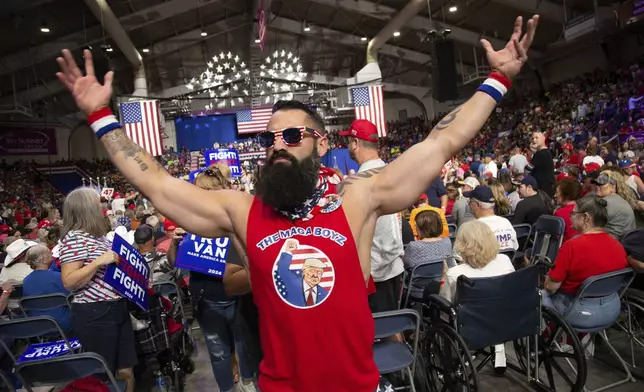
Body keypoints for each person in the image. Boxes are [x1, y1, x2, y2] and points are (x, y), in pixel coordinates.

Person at [55, 15, 539, 391]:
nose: (277, 146)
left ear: (322, 144)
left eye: (291, 135)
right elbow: (158, 185)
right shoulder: (242, 211)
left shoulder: (359, 199)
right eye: (270, 139)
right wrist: (100, 116)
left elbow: (442, 140)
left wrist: (495, 82)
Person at [167, 164, 258, 392]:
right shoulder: (190, 222)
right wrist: (175, 242)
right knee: (218, 353)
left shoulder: (238, 220)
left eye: (205, 191)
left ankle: (248, 383)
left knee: (244, 348)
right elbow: (173, 262)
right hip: (207, 300)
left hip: (239, 298)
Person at [58, 188, 136, 392]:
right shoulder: (74, 238)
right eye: (99, 203)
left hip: (116, 306)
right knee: (102, 375)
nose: (104, 207)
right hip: (95, 312)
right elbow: (68, 281)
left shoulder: (98, 237)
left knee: (126, 368)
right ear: (86, 208)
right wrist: (98, 262)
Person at [342, 119, 404, 313]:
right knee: (394, 325)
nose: (348, 147)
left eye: (349, 142)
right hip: (395, 266)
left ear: (356, 143)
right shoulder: (392, 171)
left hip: (375, 271)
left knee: (382, 332)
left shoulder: (360, 182)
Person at [440, 220, 515, 373]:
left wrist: (443, 275)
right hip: (505, 317)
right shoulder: (505, 261)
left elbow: (445, 303)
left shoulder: (456, 274)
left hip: (472, 323)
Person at [543, 197, 628, 329]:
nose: (570, 217)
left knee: (537, 295)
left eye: (573, 213)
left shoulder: (572, 246)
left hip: (578, 312)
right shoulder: (618, 245)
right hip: (611, 308)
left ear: (586, 218)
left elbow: (551, 287)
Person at [22, 244, 72, 333]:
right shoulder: (57, 276)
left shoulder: (26, 280)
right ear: (43, 260)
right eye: (49, 252)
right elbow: (71, 297)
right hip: (63, 322)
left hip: (38, 324)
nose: (52, 253)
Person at [403, 210, 453, 298]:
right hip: (442, 287)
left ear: (420, 228)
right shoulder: (447, 242)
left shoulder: (414, 246)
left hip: (418, 292)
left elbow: (405, 265)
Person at [465, 186, 518, 251]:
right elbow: (515, 247)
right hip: (506, 260)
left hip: (484, 261)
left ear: (476, 205)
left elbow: (459, 256)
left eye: (470, 202)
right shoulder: (506, 222)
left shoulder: (471, 228)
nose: (469, 204)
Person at [592, 172, 636, 238]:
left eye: (601, 184)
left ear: (613, 187)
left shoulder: (607, 202)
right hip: (625, 241)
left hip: (616, 242)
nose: (597, 186)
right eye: (597, 184)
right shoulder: (618, 199)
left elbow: (590, 224)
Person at [553, 178, 581, 242]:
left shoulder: (560, 213)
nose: (555, 195)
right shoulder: (584, 209)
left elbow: (556, 237)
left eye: (557, 192)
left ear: (566, 194)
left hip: (566, 247)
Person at [528, 131, 555, 197]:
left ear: (543, 139)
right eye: (532, 138)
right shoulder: (545, 152)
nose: (534, 140)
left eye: (537, 138)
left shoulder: (540, 154)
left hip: (542, 190)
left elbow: (527, 169)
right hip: (546, 188)